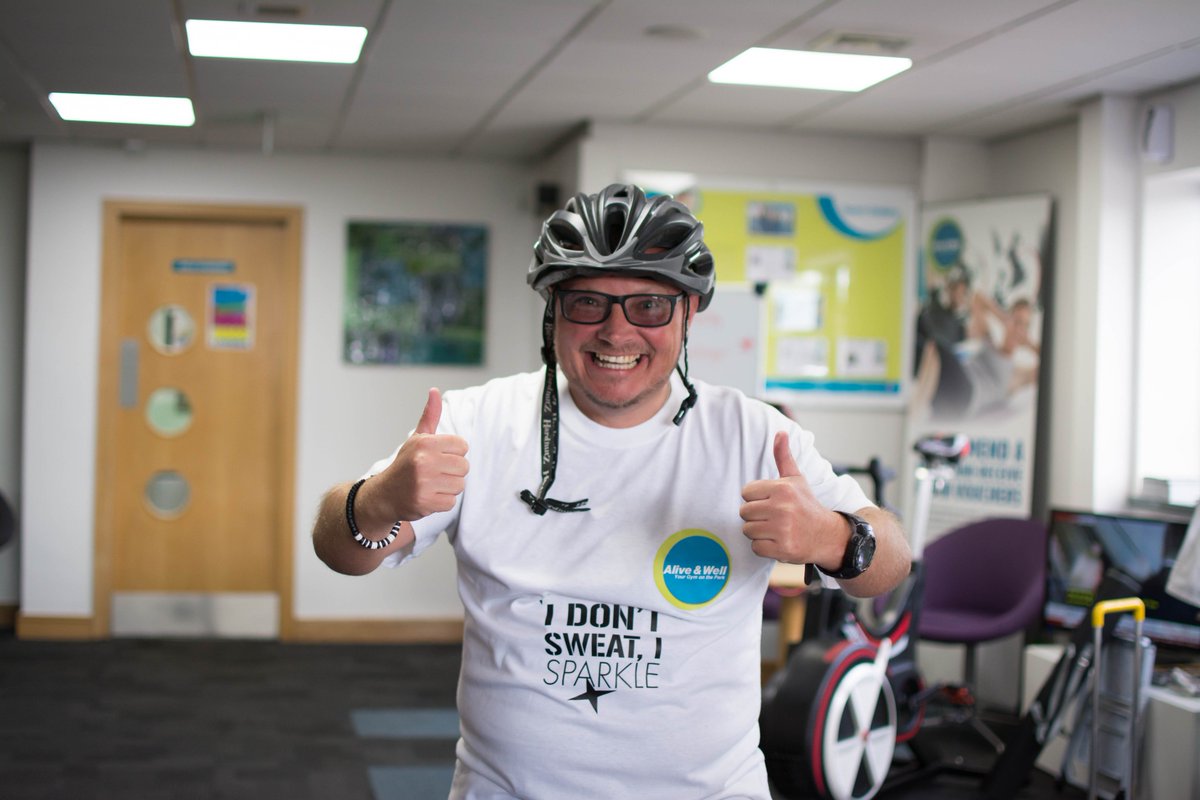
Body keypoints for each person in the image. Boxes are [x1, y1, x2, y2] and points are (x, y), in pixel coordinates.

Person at [312, 183, 911, 800]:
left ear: (688, 313)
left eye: (648, 306)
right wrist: (380, 499)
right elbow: (339, 547)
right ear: (555, 314)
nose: (617, 332)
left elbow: (891, 560)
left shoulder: (754, 435)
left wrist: (833, 538)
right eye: (588, 303)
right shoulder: (478, 423)